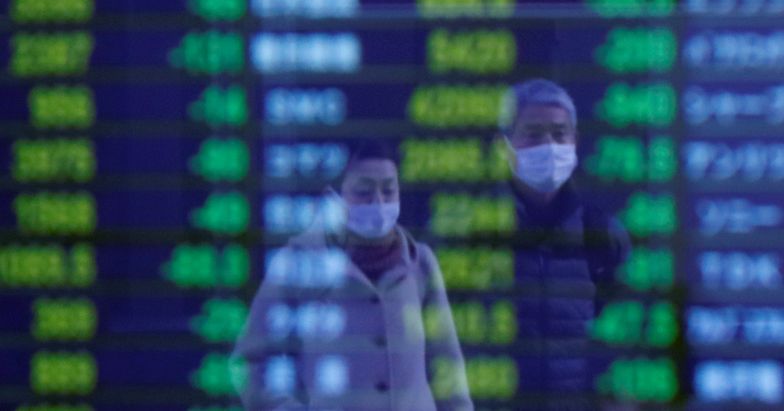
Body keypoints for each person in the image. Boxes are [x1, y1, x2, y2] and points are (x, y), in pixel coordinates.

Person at [233, 140, 473, 411]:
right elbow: (252, 361)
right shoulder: (299, 262)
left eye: (388, 190)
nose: (378, 202)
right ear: (334, 195)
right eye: (364, 192)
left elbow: (447, 367)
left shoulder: (421, 263)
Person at [498, 79, 631, 411]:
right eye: (533, 133)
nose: (548, 145)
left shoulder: (602, 233)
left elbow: (624, 339)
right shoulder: (474, 232)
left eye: (559, 134)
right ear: (506, 146)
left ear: (575, 142)